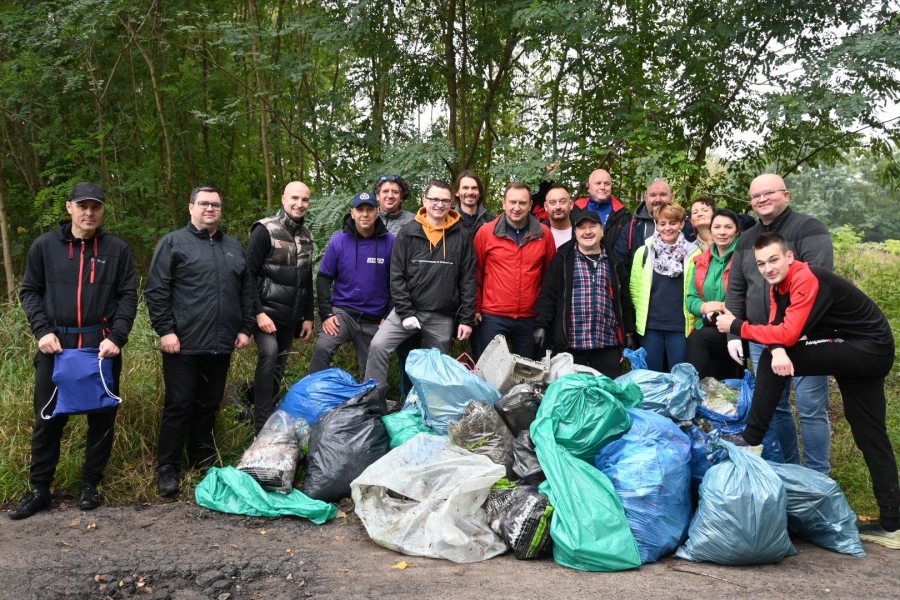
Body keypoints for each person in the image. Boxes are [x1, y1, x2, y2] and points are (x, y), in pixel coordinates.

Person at [716, 233, 900, 549]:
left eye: (774, 260)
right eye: (761, 263)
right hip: (859, 348)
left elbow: (787, 333)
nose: (768, 268)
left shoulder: (806, 278)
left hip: (867, 348)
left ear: (789, 257)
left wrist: (736, 326)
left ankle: (752, 438)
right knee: (870, 435)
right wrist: (777, 349)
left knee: (771, 363)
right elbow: (777, 329)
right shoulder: (778, 286)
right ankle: (893, 523)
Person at [12, 183, 138, 519]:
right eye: (82, 206)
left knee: (101, 418)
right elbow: (30, 291)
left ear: (103, 210)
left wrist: (118, 337)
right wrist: (42, 330)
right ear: (69, 207)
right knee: (49, 418)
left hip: (101, 347)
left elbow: (128, 296)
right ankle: (40, 489)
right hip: (56, 346)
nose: (89, 213)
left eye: (95, 207)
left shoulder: (117, 249)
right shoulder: (44, 246)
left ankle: (90, 485)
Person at [145, 185, 255, 497]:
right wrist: (166, 330)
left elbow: (246, 290)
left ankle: (202, 460)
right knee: (179, 406)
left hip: (222, 343)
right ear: (191, 207)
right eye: (204, 203)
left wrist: (245, 328)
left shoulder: (233, 246)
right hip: (183, 343)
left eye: (215, 205)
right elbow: (156, 290)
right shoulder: (173, 243)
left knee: (209, 405)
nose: (210, 209)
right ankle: (168, 468)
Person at [725, 173, 834, 474]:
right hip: (761, 337)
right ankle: (792, 470)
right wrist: (734, 333)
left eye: (768, 192)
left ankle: (818, 477)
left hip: (807, 337)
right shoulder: (746, 239)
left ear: (786, 195)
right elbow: (736, 288)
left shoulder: (809, 229)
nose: (761, 199)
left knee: (811, 408)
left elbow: (818, 285)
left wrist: (785, 338)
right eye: (755, 195)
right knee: (776, 407)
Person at [364, 181, 476, 384]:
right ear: (425, 201)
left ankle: (432, 403)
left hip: (441, 315)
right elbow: (396, 275)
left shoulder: (462, 236)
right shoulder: (408, 232)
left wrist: (466, 319)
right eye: (434, 199)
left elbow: (468, 279)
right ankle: (373, 396)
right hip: (407, 311)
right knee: (378, 346)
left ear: (451, 203)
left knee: (438, 369)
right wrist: (406, 312)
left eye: (445, 200)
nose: (439, 204)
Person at [533, 209, 636, 378]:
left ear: (602, 230)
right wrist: (542, 325)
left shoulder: (614, 263)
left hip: (607, 343)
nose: (587, 232)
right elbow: (548, 295)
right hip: (571, 344)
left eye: (592, 226)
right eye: (582, 228)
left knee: (608, 391)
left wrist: (629, 333)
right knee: (571, 391)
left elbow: (624, 301)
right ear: (575, 232)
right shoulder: (563, 259)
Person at [245, 181, 314, 433]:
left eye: (304, 200)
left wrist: (308, 316)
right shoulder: (265, 230)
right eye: (294, 198)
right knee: (270, 353)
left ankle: (262, 406)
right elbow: (248, 274)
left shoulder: (306, 236)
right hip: (264, 312)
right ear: (284, 199)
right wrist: (258, 312)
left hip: (290, 315)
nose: (299, 204)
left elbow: (306, 278)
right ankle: (261, 425)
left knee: (279, 365)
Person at [309, 191, 394, 376]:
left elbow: (398, 282)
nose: (365, 214)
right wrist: (326, 313)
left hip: (375, 318)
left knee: (372, 373)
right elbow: (323, 278)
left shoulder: (390, 242)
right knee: (323, 347)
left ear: (377, 212)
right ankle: (313, 391)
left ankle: (370, 395)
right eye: (360, 210)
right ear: (352, 213)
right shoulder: (338, 241)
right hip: (343, 314)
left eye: (369, 209)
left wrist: (388, 315)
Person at [474, 182, 556, 360]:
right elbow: (476, 273)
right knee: (491, 370)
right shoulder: (486, 233)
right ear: (504, 203)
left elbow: (550, 280)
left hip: (529, 318)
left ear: (530, 205)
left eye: (522, 203)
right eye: (512, 202)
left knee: (526, 372)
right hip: (494, 316)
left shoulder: (544, 234)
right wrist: (476, 308)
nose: (517, 208)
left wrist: (544, 319)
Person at [629, 204, 700, 372]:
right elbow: (635, 288)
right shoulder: (644, 252)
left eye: (672, 223)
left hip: (681, 326)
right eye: (662, 223)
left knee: (680, 375)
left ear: (681, 224)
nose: (667, 228)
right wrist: (642, 313)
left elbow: (697, 289)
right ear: (657, 225)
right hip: (650, 325)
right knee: (652, 376)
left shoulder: (694, 254)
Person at [685, 209, 743, 380]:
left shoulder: (745, 257)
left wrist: (721, 307)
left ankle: (693, 391)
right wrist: (705, 307)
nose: (722, 232)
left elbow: (751, 296)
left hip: (739, 326)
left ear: (737, 231)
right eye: (717, 227)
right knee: (715, 377)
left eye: (728, 227)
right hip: (710, 325)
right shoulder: (702, 260)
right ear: (710, 231)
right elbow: (691, 298)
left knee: (699, 339)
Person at [615, 179, 696, 267]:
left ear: (672, 197)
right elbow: (620, 264)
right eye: (653, 195)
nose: (658, 199)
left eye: (663, 194)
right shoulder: (632, 227)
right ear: (646, 199)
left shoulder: (689, 222)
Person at [573, 169, 632, 253]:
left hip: (613, 260)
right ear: (588, 186)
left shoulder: (623, 214)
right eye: (598, 183)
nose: (603, 187)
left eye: (607, 184)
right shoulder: (575, 209)